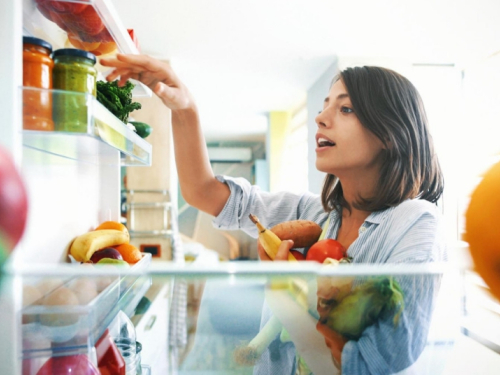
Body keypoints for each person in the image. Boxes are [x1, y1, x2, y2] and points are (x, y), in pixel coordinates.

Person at [101, 55, 447, 374]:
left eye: (346, 109)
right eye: (325, 105)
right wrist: (184, 107)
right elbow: (202, 192)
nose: (320, 117)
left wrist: (283, 296)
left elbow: (370, 365)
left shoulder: (415, 224)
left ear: (390, 132)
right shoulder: (315, 214)